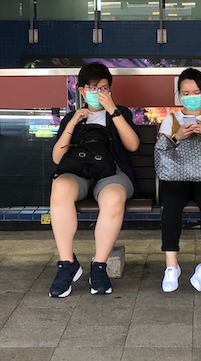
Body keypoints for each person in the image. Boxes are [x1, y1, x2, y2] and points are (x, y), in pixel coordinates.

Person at [48, 62, 140, 298]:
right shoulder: (73, 117)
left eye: (103, 87)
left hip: (111, 173)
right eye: (91, 87)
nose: (98, 92)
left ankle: (99, 266)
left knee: (114, 197)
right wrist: (72, 123)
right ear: (81, 91)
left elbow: (132, 145)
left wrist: (113, 111)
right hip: (78, 173)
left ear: (110, 90)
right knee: (59, 187)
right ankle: (67, 263)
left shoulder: (121, 112)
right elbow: (58, 158)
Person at [157, 68, 201, 292]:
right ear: (179, 94)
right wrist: (177, 137)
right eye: (185, 93)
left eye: (196, 92)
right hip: (176, 176)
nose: (191, 96)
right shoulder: (170, 120)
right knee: (171, 203)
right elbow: (160, 153)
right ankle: (171, 265)